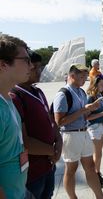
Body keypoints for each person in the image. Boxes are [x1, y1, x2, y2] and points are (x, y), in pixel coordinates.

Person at [10, 51, 62, 199]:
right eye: (34, 68)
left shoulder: (37, 91)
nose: (38, 71)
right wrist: (52, 150)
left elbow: (50, 120)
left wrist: (58, 140)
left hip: (48, 166)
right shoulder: (15, 96)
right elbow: (25, 141)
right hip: (32, 171)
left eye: (40, 67)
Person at [53, 64, 103, 199]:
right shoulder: (63, 94)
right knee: (71, 170)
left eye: (85, 77)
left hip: (84, 132)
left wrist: (91, 108)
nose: (85, 80)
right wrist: (84, 110)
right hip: (70, 135)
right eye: (82, 77)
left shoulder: (81, 92)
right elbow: (59, 122)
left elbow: (82, 115)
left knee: (90, 166)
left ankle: (100, 196)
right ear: (72, 76)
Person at [0, 34, 31, 199]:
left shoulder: (8, 98)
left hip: (20, 191)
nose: (31, 66)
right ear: (3, 65)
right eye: (25, 60)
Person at [86, 74, 103, 187]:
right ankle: (94, 176)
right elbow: (87, 117)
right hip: (94, 127)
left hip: (101, 125)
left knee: (99, 153)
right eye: (101, 84)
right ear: (95, 84)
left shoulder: (101, 95)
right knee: (97, 153)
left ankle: (97, 174)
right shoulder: (91, 97)